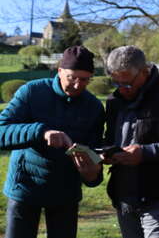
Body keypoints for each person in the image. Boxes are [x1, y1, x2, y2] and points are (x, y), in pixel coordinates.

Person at [0, 45, 105, 238]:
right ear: (59, 71)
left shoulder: (94, 107)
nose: (76, 85)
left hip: (66, 192)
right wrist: (41, 132)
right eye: (72, 77)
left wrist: (93, 174)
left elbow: (95, 151)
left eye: (84, 80)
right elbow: (2, 131)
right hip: (25, 187)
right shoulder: (31, 92)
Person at [104, 46, 159, 238]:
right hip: (124, 199)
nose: (122, 90)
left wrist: (146, 153)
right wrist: (105, 153)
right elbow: (110, 139)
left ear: (145, 71)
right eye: (116, 83)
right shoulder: (114, 101)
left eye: (128, 84)